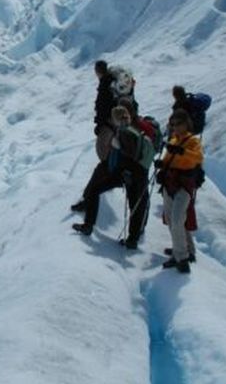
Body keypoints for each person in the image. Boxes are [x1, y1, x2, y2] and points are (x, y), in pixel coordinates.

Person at [72, 106, 150, 247]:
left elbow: (129, 155)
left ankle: (89, 225)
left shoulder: (126, 132)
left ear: (115, 118)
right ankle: (132, 240)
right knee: (135, 206)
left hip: (127, 174)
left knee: (96, 191)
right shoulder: (131, 129)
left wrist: (119, 150)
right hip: (133, 175)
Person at [155, 109, 204, 274]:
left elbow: (197, 158)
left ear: (186, 124)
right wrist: (162, 165)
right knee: (172, 219)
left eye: (178, 123)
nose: (175, 127)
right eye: (172, 124)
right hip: (170, 183)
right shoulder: (174, 140)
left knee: (176, 219)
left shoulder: (192, 141)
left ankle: (181, 258)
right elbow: (170, 159)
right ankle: (186, 250)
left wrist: (182, 152)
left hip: (183, 185)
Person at [93, 60, 116, 161]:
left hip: (107, 123)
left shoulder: (104, 85)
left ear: (97, 71)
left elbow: (102, 107)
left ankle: (109, 172)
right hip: (116, 121)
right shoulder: (112, 82)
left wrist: (99, 124)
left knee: (101, 150)